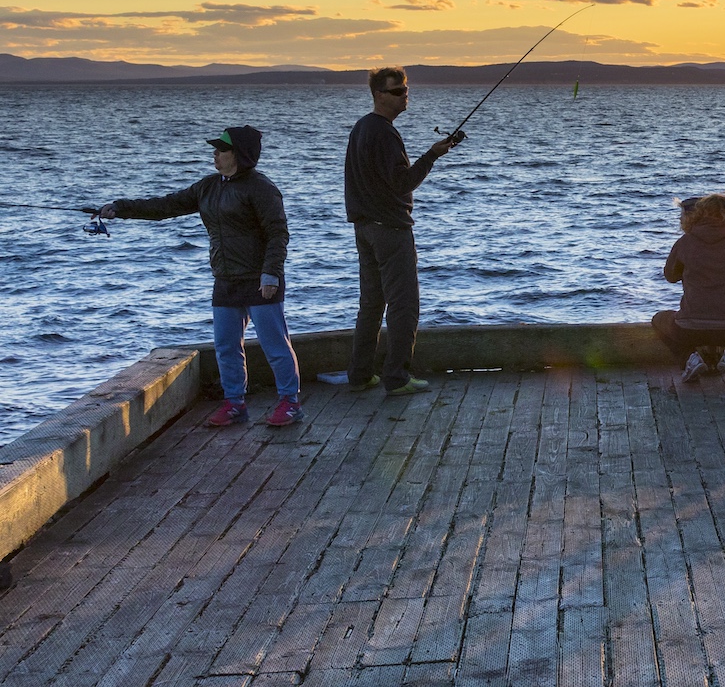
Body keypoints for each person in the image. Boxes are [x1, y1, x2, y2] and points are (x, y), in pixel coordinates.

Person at [97, 126, 301, 427]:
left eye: (222, 149)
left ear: (239, 155)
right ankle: (234, 403)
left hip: (260, 280)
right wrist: (121, 208)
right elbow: (166, 206)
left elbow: (278, 233)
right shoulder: (208, 186)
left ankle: (290, 402)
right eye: (216, 149)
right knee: (226, 346)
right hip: (225, 279)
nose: (215, 153)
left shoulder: (261, 188)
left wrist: (271, 273)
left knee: (275, 345)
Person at [344, 66, 463, 397]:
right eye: (397, 91)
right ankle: (396, 378)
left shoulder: (362, 127)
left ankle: (360, 375)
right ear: (379, 95)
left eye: (406, 89)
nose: (405, 95)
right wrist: (432, 156)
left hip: (364, 229)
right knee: (404, 305)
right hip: (390, 231)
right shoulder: (383, 133)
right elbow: (402, 183)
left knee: (371, 304)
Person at [653, 192, 725, 384]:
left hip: (689, 327)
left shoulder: (684, 242)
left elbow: (670, 276)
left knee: (659, 319)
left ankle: (688, 358)